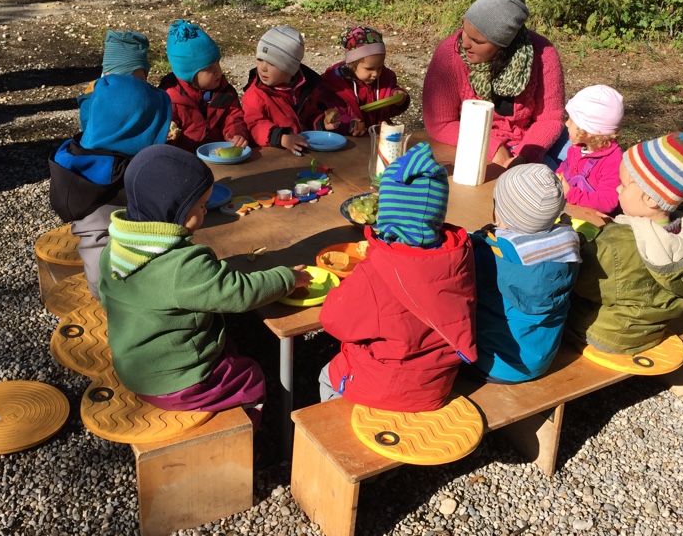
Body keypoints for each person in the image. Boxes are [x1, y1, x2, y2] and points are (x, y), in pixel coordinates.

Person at [98, 144, 312, 421]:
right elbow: (238, 293)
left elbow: (107, 298)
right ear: (175, 210)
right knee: (250, 375)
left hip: (133, 364)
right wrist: (287, 278)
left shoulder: (116, 247)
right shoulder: (182, 265)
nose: (206, 212)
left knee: (228, 340)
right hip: (176, 383)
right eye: (200, 206)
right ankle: (250, 430)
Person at [318, 143, 478, 412]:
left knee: (327, 376)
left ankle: (335, 426)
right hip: (436, 386)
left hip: (387, 386)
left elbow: (333, 321)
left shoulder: (377, 269)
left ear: (387, 215)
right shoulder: (459, 257)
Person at [566, 133, 683, 355]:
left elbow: (580, 281)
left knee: (558, 305)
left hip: (609, 334)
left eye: (624, 185)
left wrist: (579, 240)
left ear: (650, 198)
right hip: (651, 329)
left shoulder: (621, 243)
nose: (617, 189)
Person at [48, 74, 172, 300]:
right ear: (134, 132)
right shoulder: (120, 177)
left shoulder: (86, 161)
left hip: (112, 271)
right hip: (121, 292)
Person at [422, 0, 565, 167]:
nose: (464, 44)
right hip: (471, 142)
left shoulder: (543, 55)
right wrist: (490, 147)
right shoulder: (449, 55)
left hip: (528, 141)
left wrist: (524, 157)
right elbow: (440, 123)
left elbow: (550, 119)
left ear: (503, 45)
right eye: (464, 31)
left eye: (478, 41)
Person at [468, 164, 582, 383]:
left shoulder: (492, 252)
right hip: (541, 360)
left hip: (492, 362)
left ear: (499, 212)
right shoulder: (569, 247)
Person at [159, 19, 249, 152]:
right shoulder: (170, 99)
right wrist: (166, 134)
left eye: (218, 63)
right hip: (185, 157)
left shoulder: (224, 91)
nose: (218, 72)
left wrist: (237, 134)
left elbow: (233, 117)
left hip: (217, 155)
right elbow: (164, 126)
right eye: (209, 68)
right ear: (189, 74)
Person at [241, 25, 327, 153]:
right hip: (271, 156)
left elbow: (310, 115)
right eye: (260, 59)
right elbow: (254, 124)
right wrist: (281, 138)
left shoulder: (306, 87)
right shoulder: (255, 94)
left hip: (301, 153)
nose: (263, 68)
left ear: (290, 68)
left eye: (272, 63)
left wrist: (322, 123)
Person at [318, 26, 410, 136]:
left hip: (378, 135)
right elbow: (333, 113)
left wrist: (397, 98)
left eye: (380, 67)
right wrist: (350, 124)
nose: (375, 73)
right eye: (369, 69)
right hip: (351, 139)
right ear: (352, 64)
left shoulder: (385, 78)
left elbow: (388, 110)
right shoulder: (336, 85)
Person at [554, 84, 624, 216]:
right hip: (573, 208)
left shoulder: (613, 161)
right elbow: (564, 168)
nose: (566, 124)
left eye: (571, 120)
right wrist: (556, 178)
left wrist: (570, 194)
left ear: (588, 131)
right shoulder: (577, 148)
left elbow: (608, 202)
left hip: (596, 220)